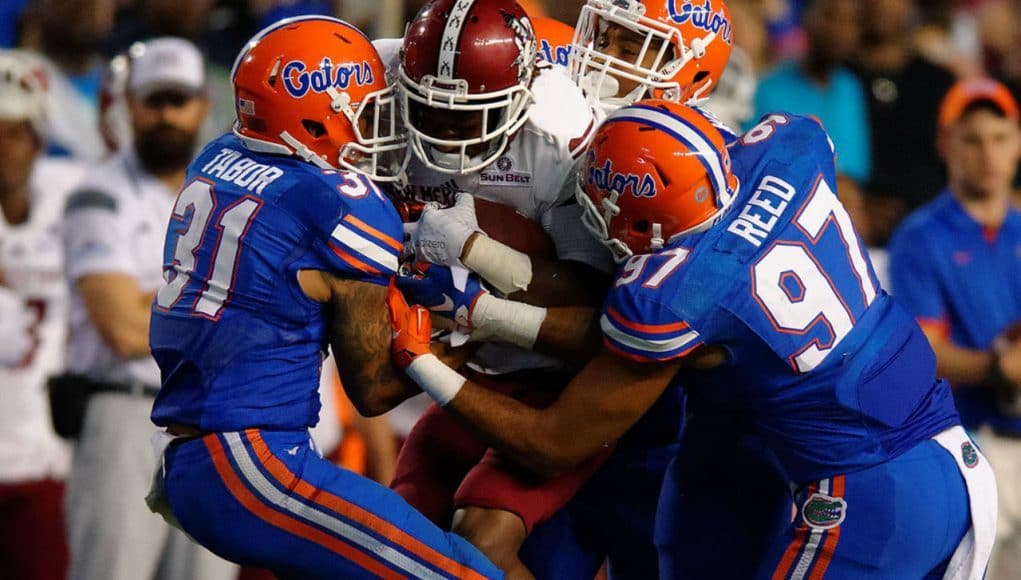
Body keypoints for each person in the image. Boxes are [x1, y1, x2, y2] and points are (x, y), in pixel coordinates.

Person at [391, 101, 998, 578]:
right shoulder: (791, 147)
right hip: (943, 448)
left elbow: (553, 442)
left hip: (870, 491)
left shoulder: (679, 296)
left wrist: (423, 359)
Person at [145, 16, 500, 579]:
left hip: (195, 458)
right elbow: (375, 389)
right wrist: (474, 334)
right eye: (364, 109)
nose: (376, 127)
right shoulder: (339, 204)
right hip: (254, 463)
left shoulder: (216, 158)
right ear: (313, 114)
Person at [60, 37, 235, 580]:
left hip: (210, 418)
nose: (166, 115)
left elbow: (247, 315)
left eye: (177, 100)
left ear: (203, 103)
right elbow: (120, 329)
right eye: (153, 100)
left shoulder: (231, 194)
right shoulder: (98, 193)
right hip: (125, 412)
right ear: (129, 105)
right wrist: (212, 298)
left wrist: (153, 296)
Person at [888, 77, 1021, 580]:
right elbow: (924, 351)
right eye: (972, 139)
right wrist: (998, 367)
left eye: (1000, 137)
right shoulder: (921, 237)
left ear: (1018, 143)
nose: (988, 153)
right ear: (946, 146)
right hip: (971, 443)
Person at [0, 50, 85, 580]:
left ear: (37, 139)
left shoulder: (74, 195)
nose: (2, 147)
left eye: (13, 131)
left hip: (43, 460)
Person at [751, 0, 871, 185]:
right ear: (807, 19)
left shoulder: (851, 87)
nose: (841, 31)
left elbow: (857, 169)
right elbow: (756, 164)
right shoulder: (769, 89)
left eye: (851, 22)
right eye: (831, 17)